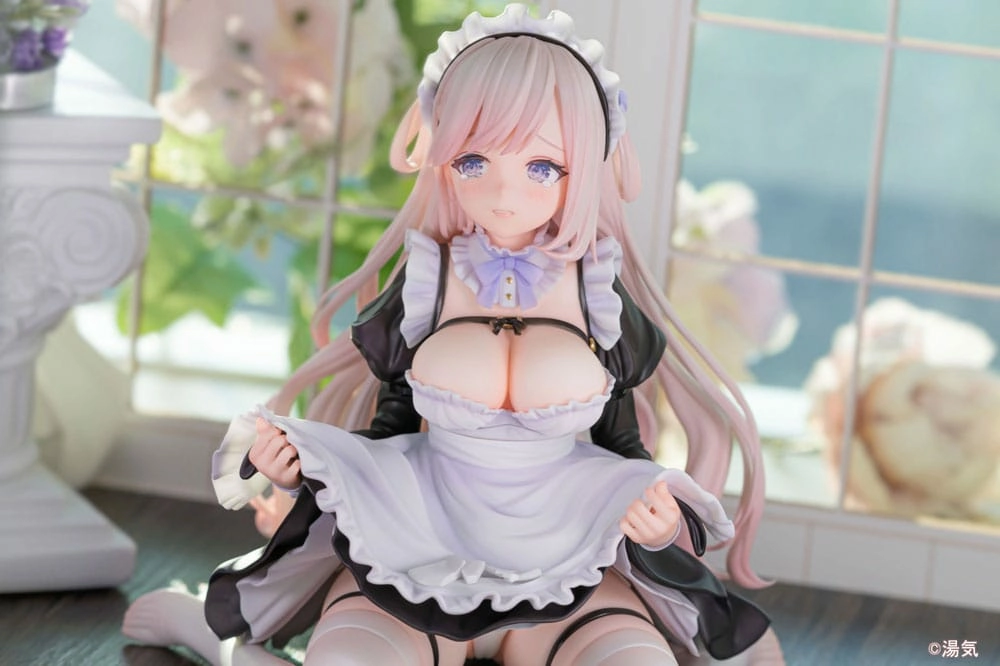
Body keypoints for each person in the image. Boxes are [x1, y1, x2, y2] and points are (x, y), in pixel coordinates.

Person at [124, 5, 778, 665]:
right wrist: (303, 474)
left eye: (542, 166)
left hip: (571, 566)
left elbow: (621, 442)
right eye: (473, 160)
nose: (504, 192)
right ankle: (209, 635)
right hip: (416, 555)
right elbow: (388, 430)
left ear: (585, 164)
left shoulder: (596, 291)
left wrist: (658, 526)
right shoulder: (428, 278)